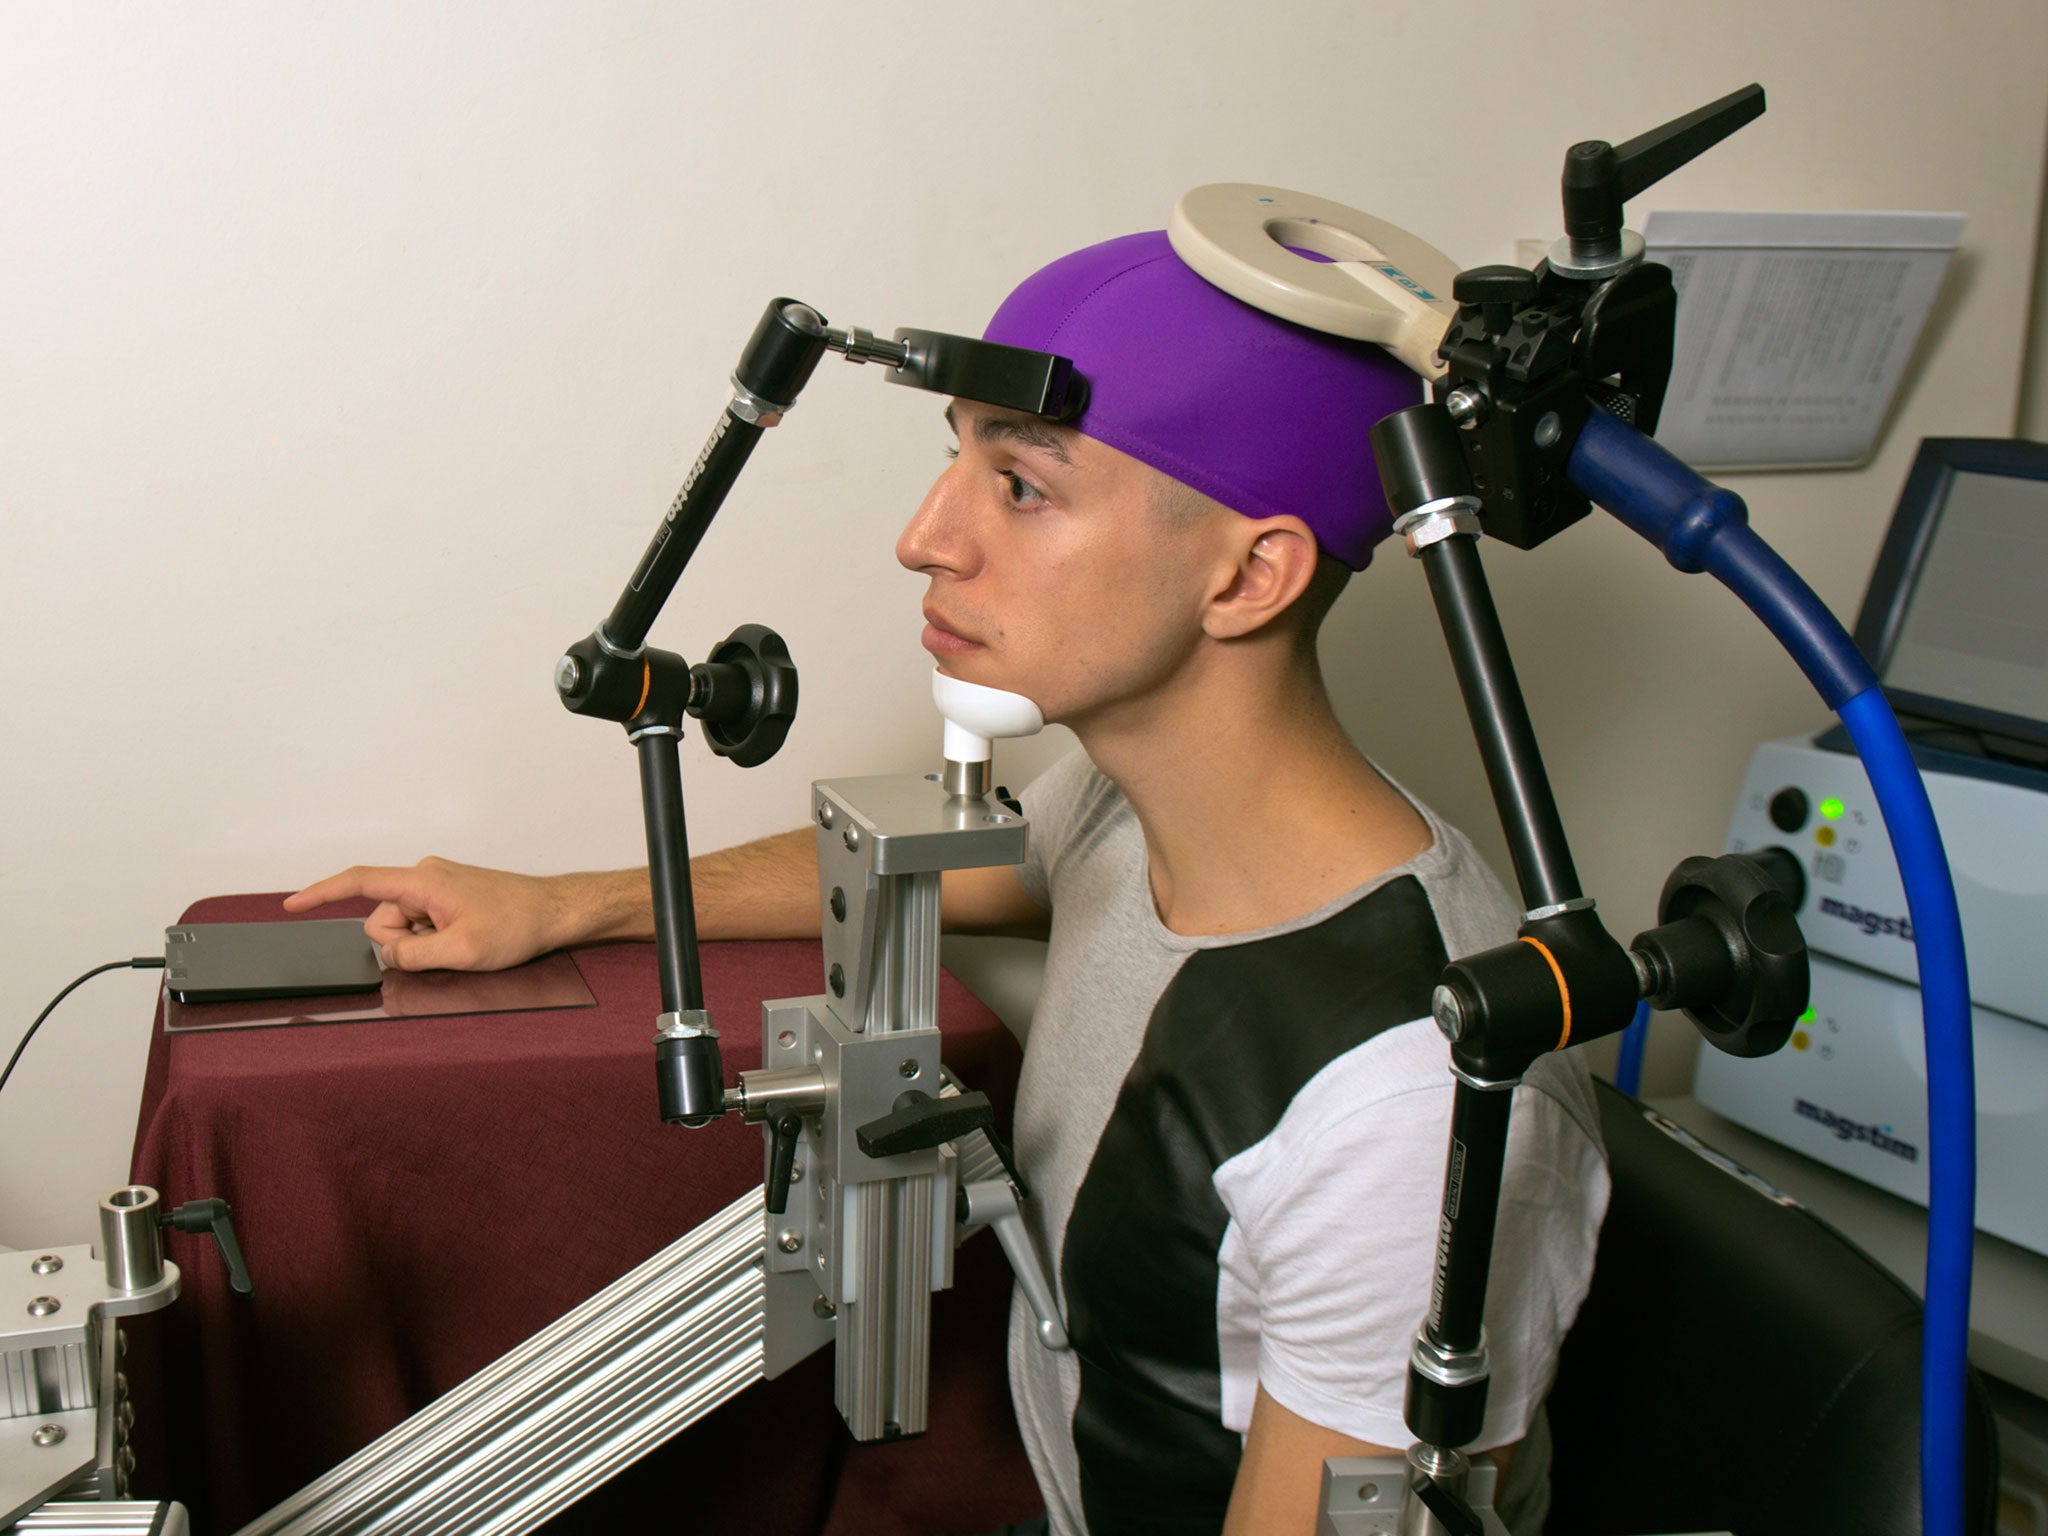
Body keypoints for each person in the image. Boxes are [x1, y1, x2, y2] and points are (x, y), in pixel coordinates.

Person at [289, 230, 1609, 1536]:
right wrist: (572, 903)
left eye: (1023, 486)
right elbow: (981, 864)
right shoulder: (1124, 795)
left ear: (1249, 573)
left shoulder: (1399, 1111)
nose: (925, 540)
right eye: (953, 464)